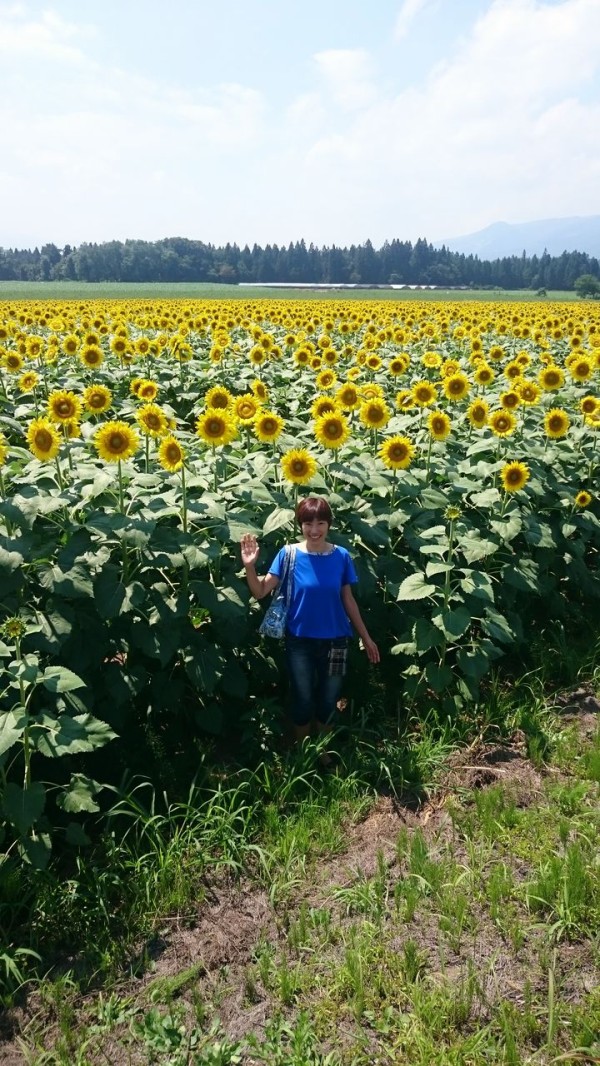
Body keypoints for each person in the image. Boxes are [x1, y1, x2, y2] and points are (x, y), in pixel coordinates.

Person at [240, 497, 380, 745]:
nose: (314, 530)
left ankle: (323, 750)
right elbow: (260, 591)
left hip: (337, 643)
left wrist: (366, 637)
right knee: (303, 697)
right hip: (300, 643)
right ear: (300, 525)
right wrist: (250, 567)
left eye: (320, 523)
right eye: (308, 523)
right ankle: (304, 750)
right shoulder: (288, 554)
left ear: (329, 525)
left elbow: (348, 599)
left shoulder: (341, 556)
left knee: (330, 696)